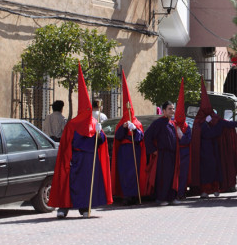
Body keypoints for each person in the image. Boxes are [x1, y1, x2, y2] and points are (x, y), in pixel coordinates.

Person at [49, 63, 112, 218]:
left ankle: (84, 207)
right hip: (75, 159)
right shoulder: (72, 125)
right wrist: (69, 159)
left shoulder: (94, 123)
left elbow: (101, 142)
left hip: (90, 160)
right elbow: (66, 144)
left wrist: (99, 133)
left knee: (86, 185)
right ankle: (63, 208)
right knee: (68, 183)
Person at [189, 80, 237, 198]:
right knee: (205, 171)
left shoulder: (215, 118)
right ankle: (204, 191)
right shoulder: (199, 121)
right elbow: (204, 133)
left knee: (216, 169)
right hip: (203, 151)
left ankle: (215, 189)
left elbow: (227, 124)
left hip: (215, 149)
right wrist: (205, 124)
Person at [111, 72, 146, 205]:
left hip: (134, 151)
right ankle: (126, 195)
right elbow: (118, 137)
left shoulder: (137, 123)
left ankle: (135, 194)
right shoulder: (121, 123)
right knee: (124, 173)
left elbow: (140, 138)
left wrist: (135, 129)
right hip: (124, 151)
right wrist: (124, 128)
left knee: (134, 173)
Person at [144, 101, 186, 206]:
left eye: (173, 108)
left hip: (173, 155)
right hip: (163, 155)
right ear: (164, 111)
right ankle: (161, 198)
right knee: (163, 177)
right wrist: (153, 150)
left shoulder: (173, 123)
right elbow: (147, 136)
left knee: (172, 176)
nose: (172, 111)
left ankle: (171, 197)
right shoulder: (158, 123)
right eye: (169, 109)